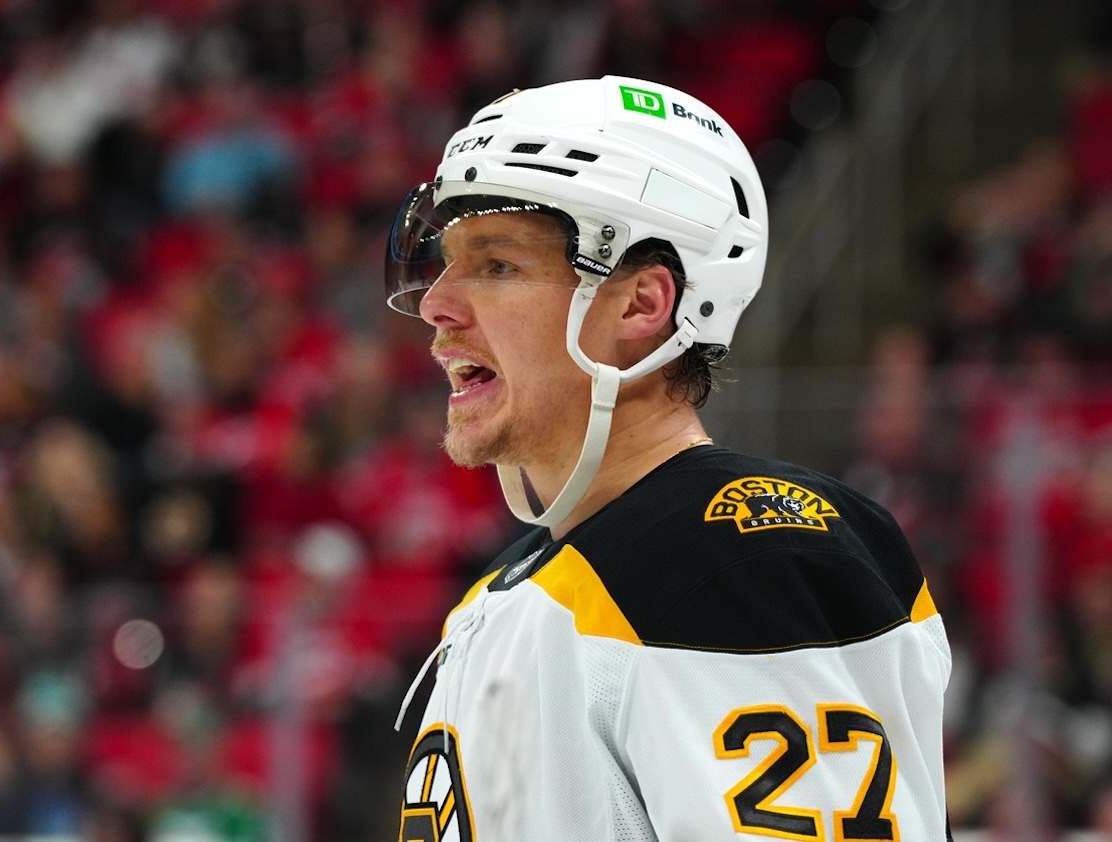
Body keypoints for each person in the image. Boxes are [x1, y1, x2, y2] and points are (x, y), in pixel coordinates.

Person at [384, 75, 952, 841]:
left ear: (642, 304)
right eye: (445, 264)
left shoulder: (733, 552)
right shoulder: (524, 587)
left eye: (496, 266)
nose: (437, 307)